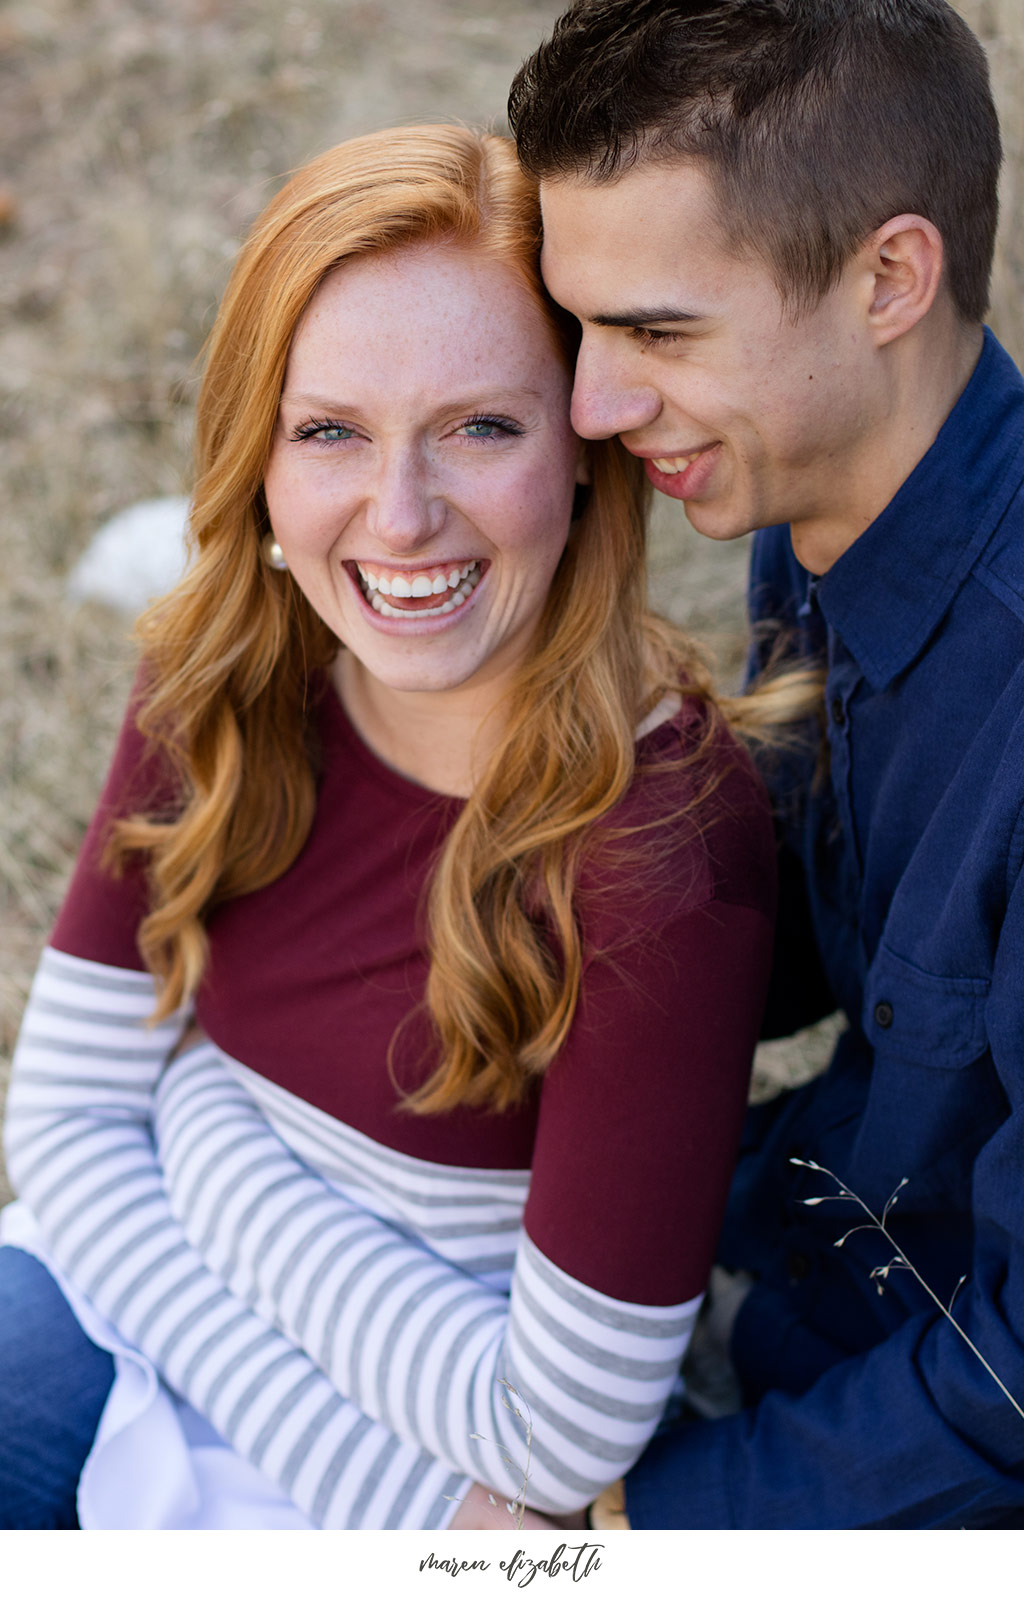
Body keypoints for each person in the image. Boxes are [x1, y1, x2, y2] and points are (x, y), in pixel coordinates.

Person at [0, 124, 779, 1529]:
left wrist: (192, 1124)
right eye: (330, 433)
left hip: (432, 1479)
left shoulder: (662, 843)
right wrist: (197, 1129)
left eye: (482, 426)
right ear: (259, 459)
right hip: (189, 1335)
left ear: (586, 451)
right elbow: (64, 1121)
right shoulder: (219, 676)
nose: (402, 517)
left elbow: (553, 1440)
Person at [507, 0, 1024, 1530]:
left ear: (889, 278)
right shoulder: (819, 509)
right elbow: (791, 939)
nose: (591, 407)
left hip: (880, 1451)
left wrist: (637, 1537)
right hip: (772, 1257)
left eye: (659, 332)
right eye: (579, 327)